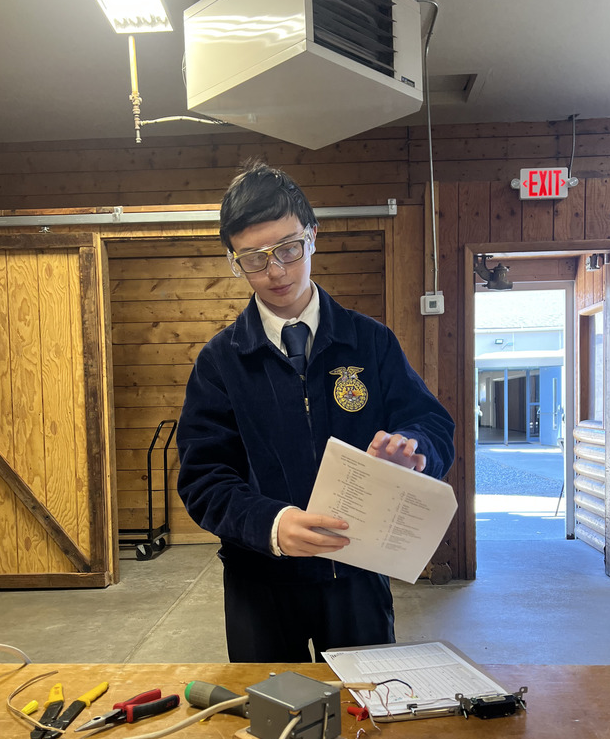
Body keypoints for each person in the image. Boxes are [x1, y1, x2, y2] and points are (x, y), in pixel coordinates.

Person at [177, 162, 455, 662]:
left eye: (288, 249)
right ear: (233, 261)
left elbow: (432, 423)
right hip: (259, 581)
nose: (277, 271)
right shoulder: (220, 362)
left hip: (356, 575)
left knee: (365, 711)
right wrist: (272, 523)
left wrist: (415, 454)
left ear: (313, 238)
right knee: (273, 719)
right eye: (254, 259)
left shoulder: (370, 342)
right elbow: (203, 478)